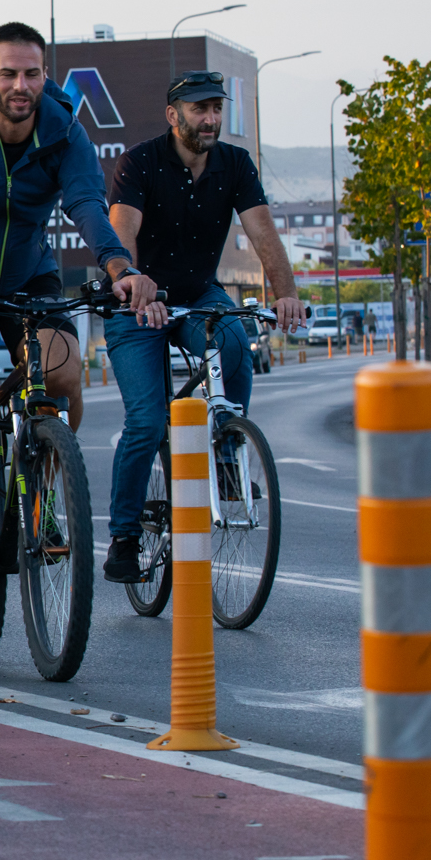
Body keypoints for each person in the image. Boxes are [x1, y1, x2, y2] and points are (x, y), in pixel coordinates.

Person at [0, 21, 154, 588]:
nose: (21, 85)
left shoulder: (65, 133)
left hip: (31, 278)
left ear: (45, 76)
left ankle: (41, 502)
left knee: (65, 377)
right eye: (9, 74)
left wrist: (121, 268)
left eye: (32, 73)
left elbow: (89, 206)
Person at [101, 71, 308, 582]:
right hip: (137, 300)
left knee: (236, 347)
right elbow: (120, 232)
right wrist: (129, 279)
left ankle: (227, 459)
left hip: (197, 293)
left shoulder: (234, 164)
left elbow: (263, 234)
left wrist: (287, 294)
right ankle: (125, 537)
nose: (211, 118)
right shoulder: (141, 162)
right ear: (174, 116)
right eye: (199, 109)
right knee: (148, 421)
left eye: (216, 108)